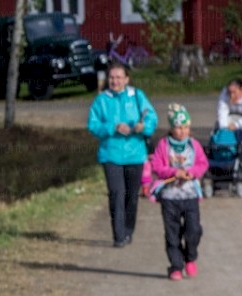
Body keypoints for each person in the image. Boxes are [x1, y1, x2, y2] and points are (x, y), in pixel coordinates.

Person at [87, 60, 157, 247]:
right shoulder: (101, 100)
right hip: (111, 154)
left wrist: (144, 127)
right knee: (117, 193)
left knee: (131, 196)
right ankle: (118, 235)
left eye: (119, 77)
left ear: (126, 79)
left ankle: (128, 230)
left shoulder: (137, 96)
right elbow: (93, 126)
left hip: (135, 154)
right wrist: (113, 127)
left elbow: (151, 117)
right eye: (112, 77)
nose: (115, 81)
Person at [149, 104, 209, 281]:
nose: (182, 131)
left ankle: (190, 257)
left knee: (194, 230)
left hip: (190, 195)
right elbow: (157, 166)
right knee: (172, 232)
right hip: (170, 197)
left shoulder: (194, 145)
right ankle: (176, 265)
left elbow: (202, 163)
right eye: (178, 127)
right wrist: (174, 172)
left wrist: (193, 173)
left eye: (185, 127)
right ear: (171, 128)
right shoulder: (163, 145)